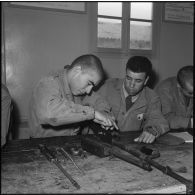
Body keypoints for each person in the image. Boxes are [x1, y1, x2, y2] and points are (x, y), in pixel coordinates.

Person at [28, 54, 117, 138]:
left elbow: (99, 101)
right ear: (77, 71)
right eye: (89, 83)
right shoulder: (48, 82)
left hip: (69, 144)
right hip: (40, 146)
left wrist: (105, 116)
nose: (88, 90)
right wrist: (92, 114)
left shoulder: (78, 90)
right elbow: (49, 113)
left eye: (92, 87)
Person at [97, 56, 169, 143]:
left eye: (138, 81)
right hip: (98, 139)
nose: (131, 85)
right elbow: (89, 107)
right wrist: (101, 114)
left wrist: (152, 131)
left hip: (130, 144)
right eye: (128, 78)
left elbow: (160, 121)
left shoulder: (152, 97)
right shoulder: (107, 86)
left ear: (146, 80)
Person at [155, 65, 193, 130]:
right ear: (179, 85)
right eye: (190, 93)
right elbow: (164, 119)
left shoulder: (188, 88)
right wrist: (190, 122)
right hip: (166, 132)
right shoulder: (164, 89)